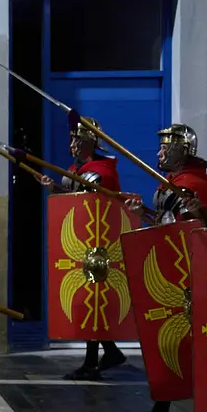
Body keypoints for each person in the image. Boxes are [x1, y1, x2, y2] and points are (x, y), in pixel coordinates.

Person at [123, 124, 207, 412]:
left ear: (182, 151)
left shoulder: (192, 186)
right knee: (180, 343)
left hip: (189, 276)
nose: (160, 152)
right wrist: (145, 214)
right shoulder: (177, 183)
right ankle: (199, 411)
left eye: (167, 148)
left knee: (180, 342)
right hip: (175, 271)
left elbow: (190, 235)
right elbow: (170, 226)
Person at [38, 119, 126, 380]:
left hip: (100, 247)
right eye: (72, 139)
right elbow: (75, 202)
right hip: (83, 245)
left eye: (78, 139)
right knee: (90, 302)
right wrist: (53, 188)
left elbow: (95, 205)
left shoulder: (101, 171)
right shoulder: (79, 168)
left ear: (92, 142)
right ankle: (107, 354)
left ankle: (94, 361)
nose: (72, 144)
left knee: (94, 302)